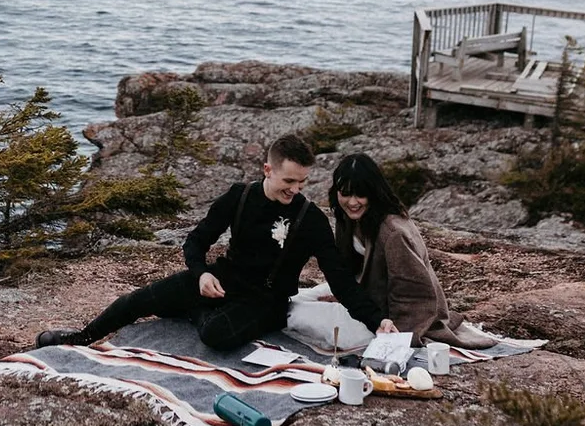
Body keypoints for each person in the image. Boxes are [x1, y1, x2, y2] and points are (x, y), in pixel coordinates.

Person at [37, 134, 399, 352]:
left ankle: (191, 311)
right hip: (220, 283)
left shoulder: (311, 220)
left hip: (267, 300)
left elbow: (339, 278)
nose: (296, 190)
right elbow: (196, 241)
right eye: (289, 181)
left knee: (216, 335)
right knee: (138, 300)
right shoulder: (238, 197)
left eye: (303, 183)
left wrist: (376, 320)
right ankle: (82, 337)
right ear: (267, 169)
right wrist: (198, 275)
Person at [326, 152, 497, 348]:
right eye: (346, 193)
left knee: (331, 333)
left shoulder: (394, 232)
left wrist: (396, 337)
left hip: (403, 310)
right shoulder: (346, 217)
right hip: (368, 301)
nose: (352, 202)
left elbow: (412, 291)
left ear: (373, 192)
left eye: (360, 194)